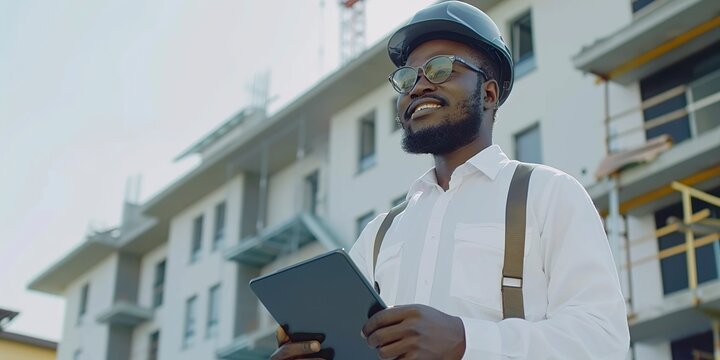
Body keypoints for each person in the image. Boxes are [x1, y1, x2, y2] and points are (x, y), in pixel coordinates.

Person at [271, 1, 630, 359]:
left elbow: (604, 340)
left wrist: (465, 340)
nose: (416, 87)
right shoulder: (379, 236)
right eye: (407, 79)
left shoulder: (549, 195)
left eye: (440, 69)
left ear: (488, 94)